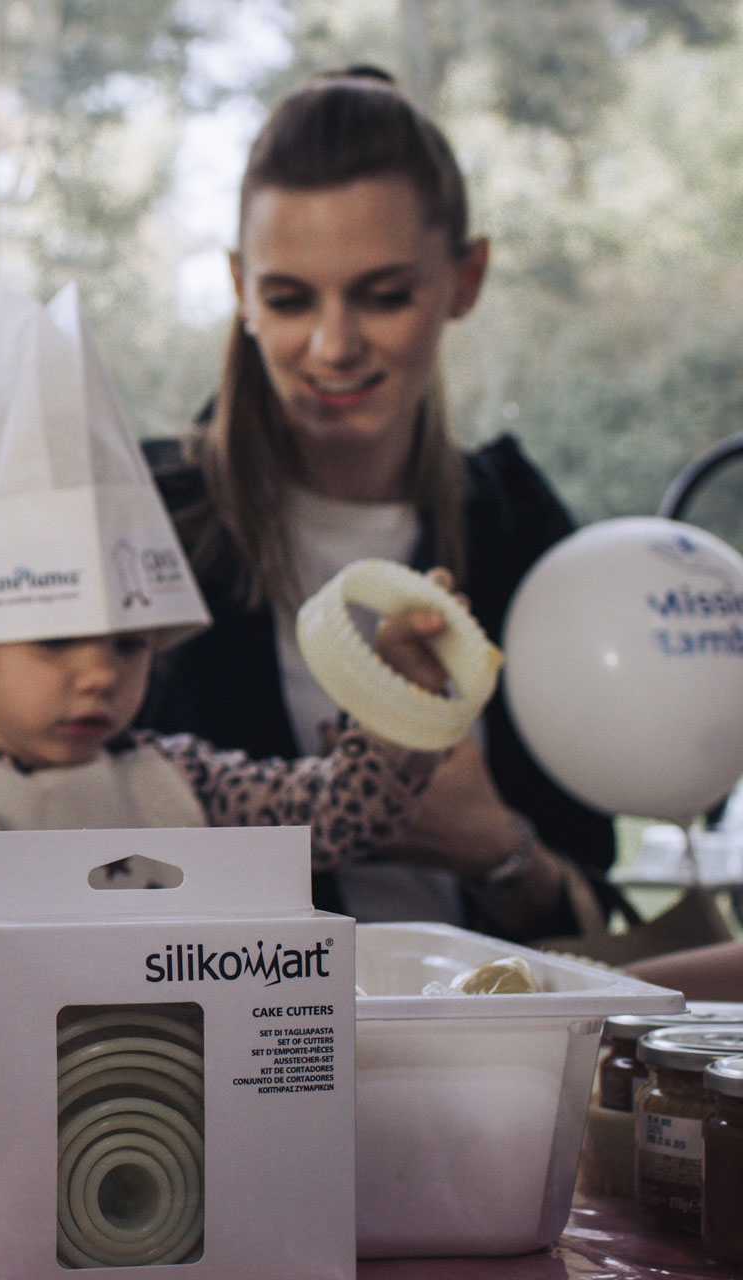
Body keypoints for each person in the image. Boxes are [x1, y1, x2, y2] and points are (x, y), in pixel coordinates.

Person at [0, 283, 462, 1043]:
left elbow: (337, 814)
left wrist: (402, 697)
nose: (101, 676)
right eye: (56, 643)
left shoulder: (176, 777)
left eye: (130, 645)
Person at [138, 67, 611, 941]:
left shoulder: (517, 526)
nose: (333, 345)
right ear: (240, 288)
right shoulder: (147, 527)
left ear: (466, 278)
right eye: (288, 299)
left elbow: (594, 919)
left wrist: (493, 849)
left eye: (384, 295)